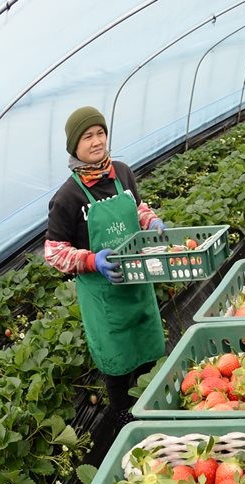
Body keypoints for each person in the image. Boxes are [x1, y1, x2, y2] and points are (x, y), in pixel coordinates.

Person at [45, 106, 167, 423]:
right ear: (74, 145)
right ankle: (124, 418)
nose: (97, 141)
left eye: (100, 133)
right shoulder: (68, 196)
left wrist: (151, 221)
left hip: (137, 283)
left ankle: (156, 407)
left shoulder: (121, 172)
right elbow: (54, 252)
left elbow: (137, 208)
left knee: (148, 351)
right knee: (117, 362)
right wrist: (90, 260)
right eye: (88, 136)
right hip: (104, 296)